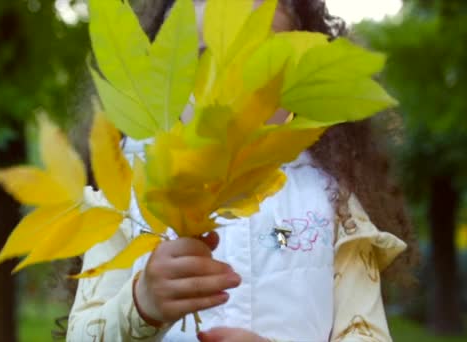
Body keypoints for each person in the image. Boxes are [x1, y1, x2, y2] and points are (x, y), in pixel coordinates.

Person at [67, 0, 418, 341]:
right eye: (202, 62)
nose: (228, 89)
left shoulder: (333, 202)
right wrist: (141, 304)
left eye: (260, 65)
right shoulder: (125, 191)